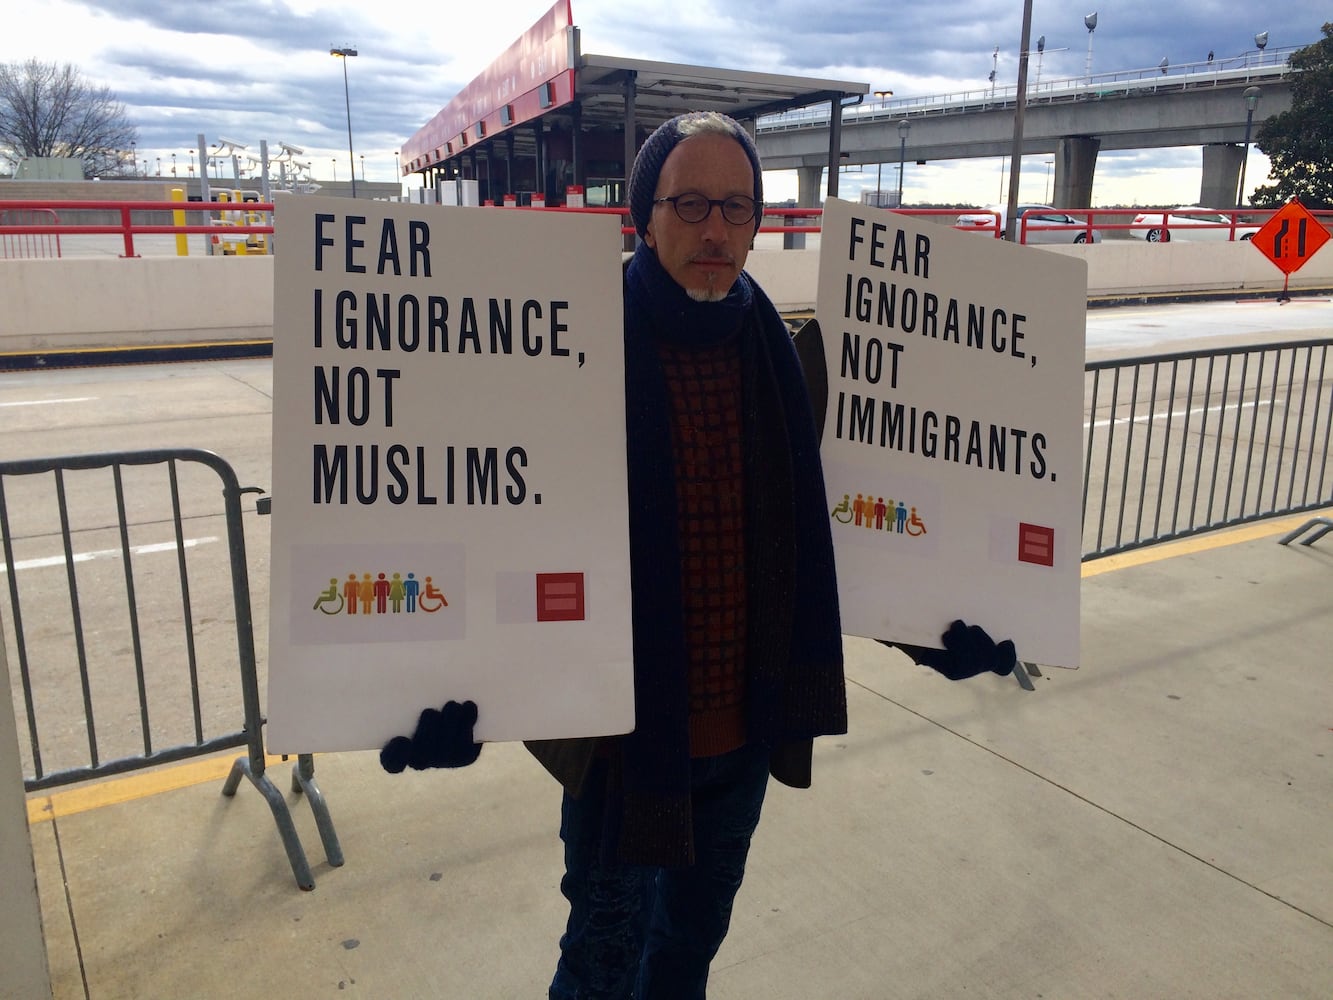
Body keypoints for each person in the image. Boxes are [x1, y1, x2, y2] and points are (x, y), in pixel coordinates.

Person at [380, 111, 1016, 1000]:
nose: (715, 229)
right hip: (622, 751)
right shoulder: (566, 350)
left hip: (745, 735)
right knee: (600, 965)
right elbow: (479, 519)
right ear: (644, 215)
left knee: (686, 956)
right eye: (689, 204)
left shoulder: (795, 362)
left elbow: (844, 536)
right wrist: (437, 702)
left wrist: (933, 631)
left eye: (737, 207)